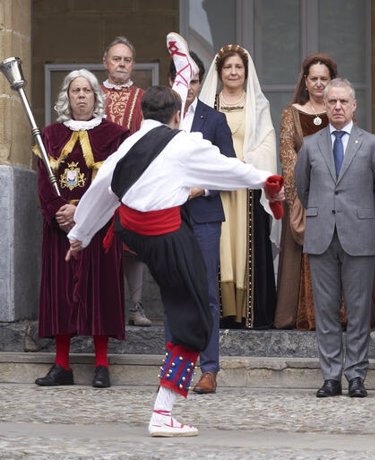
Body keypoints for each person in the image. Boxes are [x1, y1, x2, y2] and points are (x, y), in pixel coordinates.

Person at [66, 86, 283, 437]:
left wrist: (80, 234)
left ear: (141, 116)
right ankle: (163, 412)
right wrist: (266, 180)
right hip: (164, 236)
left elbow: (102, 189)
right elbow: (228, 169)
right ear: (177, 116)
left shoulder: (127, 145)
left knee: (185, 310)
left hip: (131, 230)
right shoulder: (184, 143)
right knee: (195, 321)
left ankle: (164, 403)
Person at [274, 53, 375, 331]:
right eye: (314, 78)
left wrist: (357, 210)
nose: (318, 84)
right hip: (308, 205)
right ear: (305, 81)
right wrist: (304, 201)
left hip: (349, 214)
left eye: (324, 79)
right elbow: (290, 159)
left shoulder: (342, 115)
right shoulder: (291, 114)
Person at [295, 78, 375, 398]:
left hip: (358, 234)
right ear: (324, 105)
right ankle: (331, 376)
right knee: (325, 310)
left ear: (354, 106)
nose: (337, 107)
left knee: (358, 308)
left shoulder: (372, 143)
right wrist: (324, 212)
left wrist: (361, 214)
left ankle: (356, 375)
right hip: (322, 234)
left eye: (343, 102)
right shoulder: (311, 145)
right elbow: (303, 188)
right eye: (332, 101)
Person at [34, 69, 129, 389]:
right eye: (76, 91)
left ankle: (101, 364)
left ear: (95, 95)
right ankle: (62, 364)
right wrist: (59, 212)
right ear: (67, 96)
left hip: (99, 227)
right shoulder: (49, 136)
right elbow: (43, 183)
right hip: (59, 229)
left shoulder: (113, 136)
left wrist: (83, 213)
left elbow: (114, 184)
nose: (82, 96)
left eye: (87, 90)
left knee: (100, 292)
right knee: (61, 295)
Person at [167, 51, 235, 395]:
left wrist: (201, 187)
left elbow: (229, 169)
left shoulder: (215, 120)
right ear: (171, 82)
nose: (189, 87)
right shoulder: (162, 119)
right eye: (183, 79)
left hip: (205, 216)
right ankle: (176, 369)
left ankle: (209, 369)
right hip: (168, 218)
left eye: (194, 80)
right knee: (175, 292)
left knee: (207, 293)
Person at [199, 44, 279, 329]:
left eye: (238, 68)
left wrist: (246, 165)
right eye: (228, 67)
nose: (233, 72)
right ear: (220, 72)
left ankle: (249, 311)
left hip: (247, 189)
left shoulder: (258, 106)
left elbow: (268, 143)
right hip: (217, 190)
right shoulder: (208, 106)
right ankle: (221, 312)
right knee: (219, 246)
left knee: (245, 248)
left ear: (246, 72)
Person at [101, 36, 151, 327]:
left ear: (133, 64)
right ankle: (105, 306)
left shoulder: (143, 97)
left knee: (133, 246)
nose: (121, 64)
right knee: (100, 244)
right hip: (98, 180)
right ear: (105, 62)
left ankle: (136, 306)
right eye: (116, 59)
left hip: (133, 181)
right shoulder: (90, 91)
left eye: (127, 59)